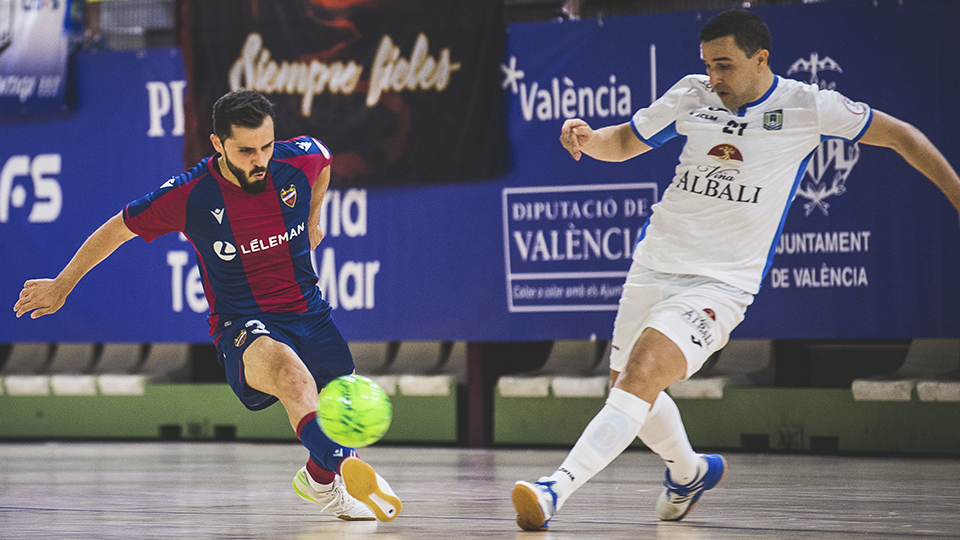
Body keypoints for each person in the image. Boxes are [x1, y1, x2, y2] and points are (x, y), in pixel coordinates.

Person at [511, 9, 960, 531]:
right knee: (627, 387)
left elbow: (904, 136)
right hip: (655, 262)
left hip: (719, 284)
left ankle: (553, 490)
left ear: (760, 58)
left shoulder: (808, 106)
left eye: (724, 65)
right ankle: (689, 472)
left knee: (642, 373)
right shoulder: (691, 94)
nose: (714, 77)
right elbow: (627, 141)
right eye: (707, 65)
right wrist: (589, 139)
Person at [13, 89, 402, 523]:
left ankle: (320, 478)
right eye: (247, 150)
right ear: (218, 144)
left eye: (267, 146)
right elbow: (118, 229)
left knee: (340, 407)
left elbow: (324, 161)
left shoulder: (298, 160)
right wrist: (63, 285)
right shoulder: (190, 195)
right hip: (244, 323)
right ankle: (347, 468)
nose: (261, 159)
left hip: (310, 312)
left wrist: (312, 219)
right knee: (293, 378)